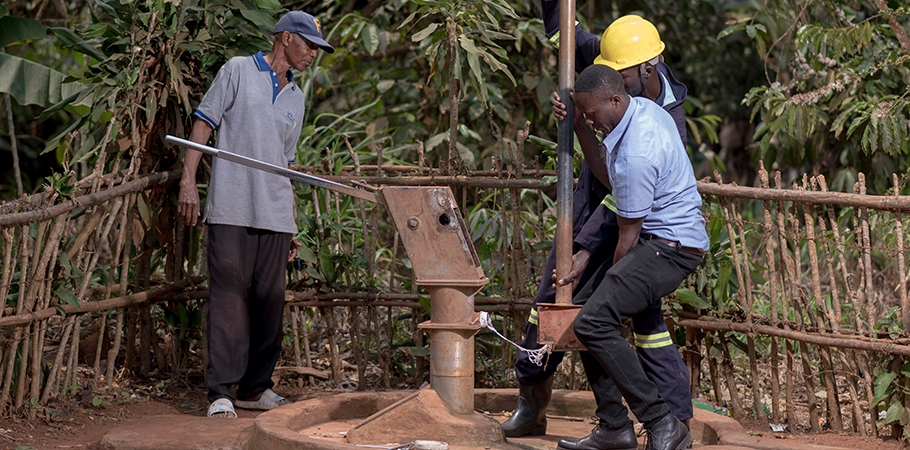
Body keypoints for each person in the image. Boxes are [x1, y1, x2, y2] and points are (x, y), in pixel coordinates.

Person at [502, 9, 692, 438]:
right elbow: (564, 34)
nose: (614, 85)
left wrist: (579, 122)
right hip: (593, 209)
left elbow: (623, 190)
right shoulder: (616, 63)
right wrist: (578, 108)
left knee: (642, 324)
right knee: (552, 302)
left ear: (648, 69)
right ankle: (535, 402)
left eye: (619, 81)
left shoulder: (667, 122)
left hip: (634, 223)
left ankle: (672, 420)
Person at [176, 11, 334, 419]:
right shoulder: (238, 70)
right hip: (230, 205)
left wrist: (292, 223)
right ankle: (220, 393)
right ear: (284, 39)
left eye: (316, 48)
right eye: (308, 45)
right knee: (228, 297)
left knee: (269, 300)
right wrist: (188, 180)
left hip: (275, 213)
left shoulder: (296, 98)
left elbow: (285, 163)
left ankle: (254, 388)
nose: (313, 55)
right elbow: (204, 123)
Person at [555, 64, 708, 450]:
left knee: (593, 321)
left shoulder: (637, 152)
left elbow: (627, 238)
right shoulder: (640, 110)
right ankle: (613, 428)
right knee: (585, 314)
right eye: (585, 115)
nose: (591, 120)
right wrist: (579, 125)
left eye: (592, 114)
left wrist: (608, 299)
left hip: (670, 248)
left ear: (615, 99)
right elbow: (610, 177)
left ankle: (663, 423)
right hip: (659, 241)